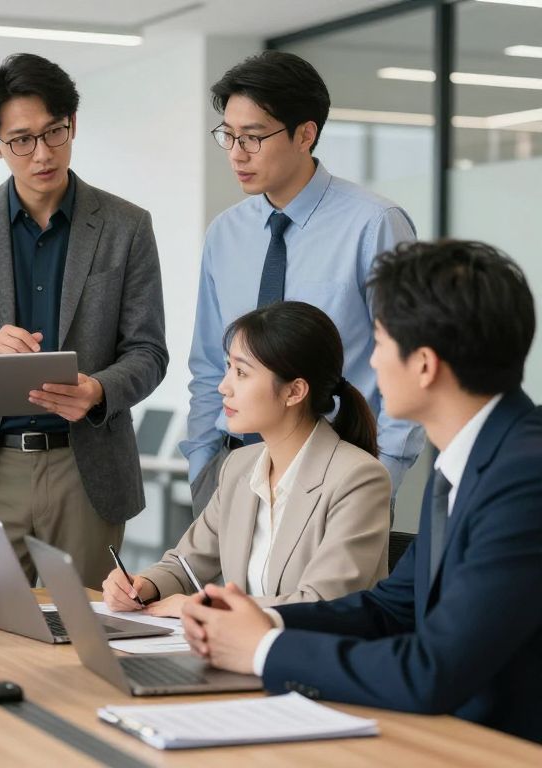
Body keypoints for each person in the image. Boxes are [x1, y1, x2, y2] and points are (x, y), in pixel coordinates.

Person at [181, 240, 542, 744]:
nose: (369, 361)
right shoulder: (469, 460)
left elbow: (431, 670)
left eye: (378, 340)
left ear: (424, 364)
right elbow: (387, 609)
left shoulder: (525, 477)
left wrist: (262, 650)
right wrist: (256, 619)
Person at [0, 53, 168, 590]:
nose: (43, 153)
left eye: (55, 132)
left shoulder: (126, 226)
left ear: (73, 124)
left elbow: (148, 352)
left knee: (86, 637)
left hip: (87, 468)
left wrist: (99, 389)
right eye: (22, 140)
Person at [181, 50, 424, 516]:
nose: (236, 154)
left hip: (335, 473)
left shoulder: (375, 225)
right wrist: (203, 467)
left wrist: (382, 476)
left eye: (253, 137)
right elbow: (210, 363)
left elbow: (409, 358)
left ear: (305, 134)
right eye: (228, 136)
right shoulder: (225, 233)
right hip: (231, 471)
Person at [103, 301, 390, 616]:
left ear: (294, 392)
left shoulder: (359, 478)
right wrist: (142, 586)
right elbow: (186, 565)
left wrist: (203, 607)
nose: (223, 386)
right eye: (228, 368)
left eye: (241, 372)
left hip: (314, 657)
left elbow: (323, 603)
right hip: (244, 653)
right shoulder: (240, 466)